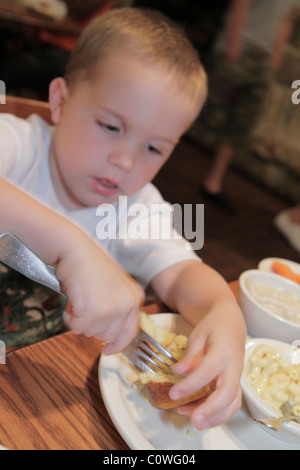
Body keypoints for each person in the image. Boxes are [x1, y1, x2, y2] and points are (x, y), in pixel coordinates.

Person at [0, 7, 246, 431]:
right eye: (111, 126)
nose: (125, 160)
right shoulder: (19, 147)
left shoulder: (134, 207)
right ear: (60, 101)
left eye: (154, 149)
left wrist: (225, 314)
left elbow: (185, 272)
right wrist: (70, 243)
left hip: (31, 394)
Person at [199, 0, 299, 211]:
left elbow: (285, 22)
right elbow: (240, 5)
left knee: (243, 122)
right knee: (201, 105)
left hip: (263, 62)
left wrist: (274, 61)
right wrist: (232, 47)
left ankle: (213, 182)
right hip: (238, 50)